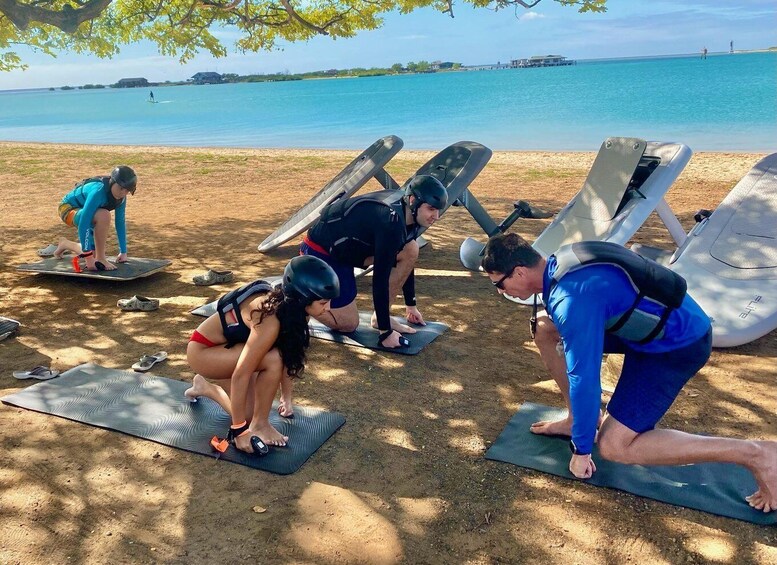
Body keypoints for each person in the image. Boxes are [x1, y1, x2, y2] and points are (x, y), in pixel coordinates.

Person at [481, 233, 776, 513]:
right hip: (647, 328)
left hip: (677, 346)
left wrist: (582, 449)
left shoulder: (571, 300)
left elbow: (584, 378)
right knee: (545, 328)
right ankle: (576, 419)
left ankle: (754, 453)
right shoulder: (560, 263)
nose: (500, 291)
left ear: (519, 272)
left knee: (613, 446)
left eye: (500, 284)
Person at [184, 255, 340, 454]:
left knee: (248, 411)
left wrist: (287, 398)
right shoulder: (269, 317)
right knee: (272, 361)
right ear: (303, 298)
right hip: (203, 352)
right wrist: (239, 431)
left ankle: (205, 388)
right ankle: (260, 425)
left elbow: (289, 352)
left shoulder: (295, 309)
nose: (329, 308)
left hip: (232, 348)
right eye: (324, 302)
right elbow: (242, 373)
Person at [300, 175, 448, 349]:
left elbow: (407, 259)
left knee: (411, 248)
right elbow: (380, 279)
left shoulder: (411, 215)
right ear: (413, 200)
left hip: (350, 249)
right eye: (431, 209)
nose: (436, 216)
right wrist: (385, 333)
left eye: (438, 210)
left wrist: (411, 305)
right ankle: (299, 300)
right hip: (322, 252)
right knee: (348, 324)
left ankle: (380, 317)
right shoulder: (390, 222)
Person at [54, 166, 137, 271]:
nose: (122, 193)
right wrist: (88, 258)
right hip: (67, 209)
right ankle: (101, 258)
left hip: (88, 213)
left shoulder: (121, 199)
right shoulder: (98, 191)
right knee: (104, 215)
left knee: (92, 253)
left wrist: (123, 252)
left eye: (127, 191)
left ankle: (65, 243)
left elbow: (120, 223)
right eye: (120, 188)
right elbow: (84, 223)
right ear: (112, 182)